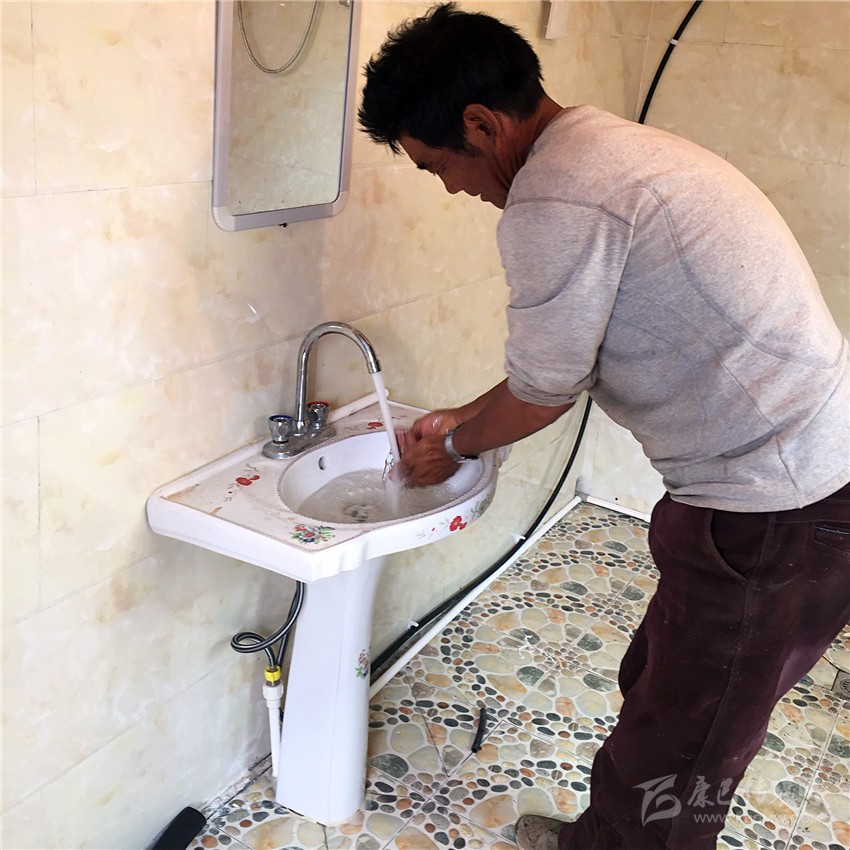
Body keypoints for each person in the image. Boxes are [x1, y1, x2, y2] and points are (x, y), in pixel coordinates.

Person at [358, 4, 850, 849]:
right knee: (662, 689)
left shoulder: (556, 200)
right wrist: (463, 416)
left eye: (437, 166)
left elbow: (544, 396)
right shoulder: (606, 149)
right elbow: (554, 369)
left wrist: (454, 445)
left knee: (683, 753)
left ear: (481, 124)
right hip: (793, 478)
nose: (451, 189)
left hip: (778, 505)